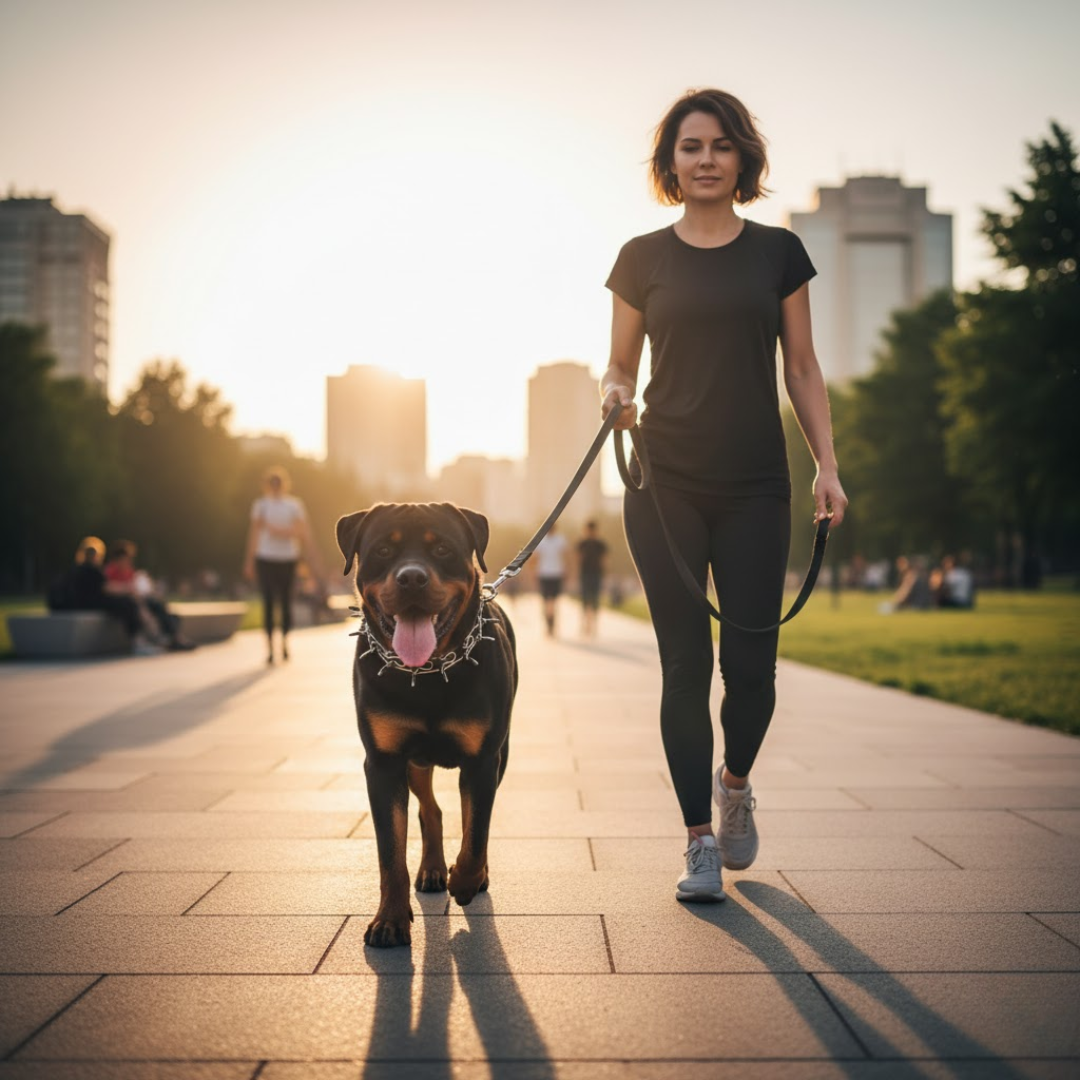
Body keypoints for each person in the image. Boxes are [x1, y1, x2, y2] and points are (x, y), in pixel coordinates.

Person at [601, 89, 847, 903]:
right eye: (689, 146)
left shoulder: (778, 252)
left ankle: (734, 782)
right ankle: (698, 842)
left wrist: (828, 467)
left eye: (720, 146)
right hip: (663, 477)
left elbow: (802, 368)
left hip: (754, 484)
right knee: (685, 663)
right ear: (670, 162)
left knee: (753, 670)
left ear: (743, 158)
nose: (705, 159)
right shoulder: (642, 257)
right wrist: (613, 394)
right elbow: (619, 364)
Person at [243, 466, 320, 664]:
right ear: (267, 486)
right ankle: (270, 647)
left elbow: (302, 531)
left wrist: (276, 530)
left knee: (286, 602)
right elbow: (254, 534)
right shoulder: (261, 505)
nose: (276, 488)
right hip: (265, 557)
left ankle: (284, 641)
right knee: (268, 601)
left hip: (287, 558)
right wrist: (249, 561)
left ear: (284, 485)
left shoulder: (294, 505)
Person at [48, 536, 161, 654]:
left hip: (78, 603)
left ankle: (146, 639)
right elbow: (106, 588)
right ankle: (137, 641)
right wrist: (128, 589)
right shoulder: (91, 569)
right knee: (128, 604)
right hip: (87, 604)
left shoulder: (77, 569)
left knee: (129, 603)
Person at [103, 540, 196, 651]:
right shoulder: (111, 570)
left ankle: (174, 637)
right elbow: (108, 587)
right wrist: (128, 589)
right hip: (125, 601)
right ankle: (146, 641)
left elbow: (135, 586)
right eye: (127, 558)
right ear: (119, 558)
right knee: (136, 609)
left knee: (158, 605)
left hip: (137, 598)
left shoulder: (129, 570)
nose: (129, 561)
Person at [534, 523, 568, 637]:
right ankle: (551, 623)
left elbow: (535, 557)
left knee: (547, 601)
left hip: (546, 573)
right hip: (554, 573)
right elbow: (566, 556)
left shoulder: (542, 540)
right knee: (552, 601)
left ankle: (549, 623)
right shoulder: (560, 540)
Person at [576, 520, 609, 637]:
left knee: (595, 600)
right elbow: (578, 559)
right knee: (585, 600)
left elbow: (604, 560)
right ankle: (586, 624)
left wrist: (604, 574)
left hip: (596, 574)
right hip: (585, 574)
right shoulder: (582, 543)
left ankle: (594, 625)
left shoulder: (601, 544)